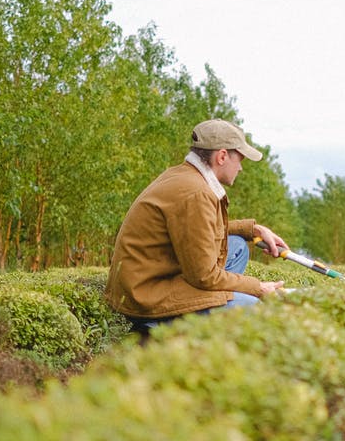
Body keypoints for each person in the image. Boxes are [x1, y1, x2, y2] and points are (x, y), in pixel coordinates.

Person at [105, 118, 288, 335]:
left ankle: (197, 308)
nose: (240, 168)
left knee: (237, 246)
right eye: (240, 159)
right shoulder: (196, 193)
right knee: (253, 307)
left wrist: (254, 230)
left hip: (153, 275)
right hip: (144, 295)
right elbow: (204, 276)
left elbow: (198, 228)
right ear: (221, 156)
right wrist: (257, 288)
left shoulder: (185, 175)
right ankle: (158, 324)